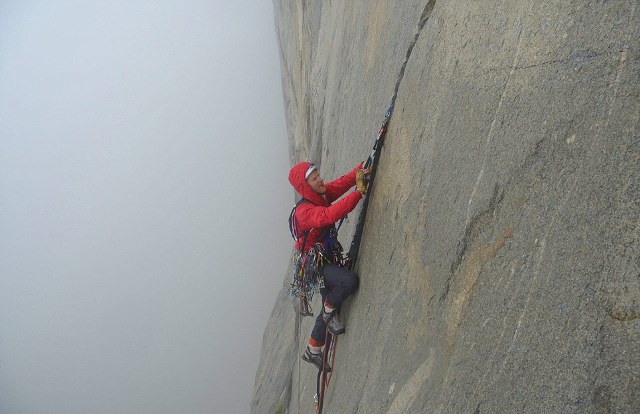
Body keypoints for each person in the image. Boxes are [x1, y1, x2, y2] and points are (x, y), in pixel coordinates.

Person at [287, 161, 369, 371]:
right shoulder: (305, 212)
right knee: (348, 282)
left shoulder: (319, 196)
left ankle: (312, 350)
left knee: (329, 301)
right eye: (314, 178)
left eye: (318, 175)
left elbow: (341, 183)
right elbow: (328, 216)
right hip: (315, 265)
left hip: (324, 256)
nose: (320, 179)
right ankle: (328, 312)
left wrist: (361, 168)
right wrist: (358, 193)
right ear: (306, 186)